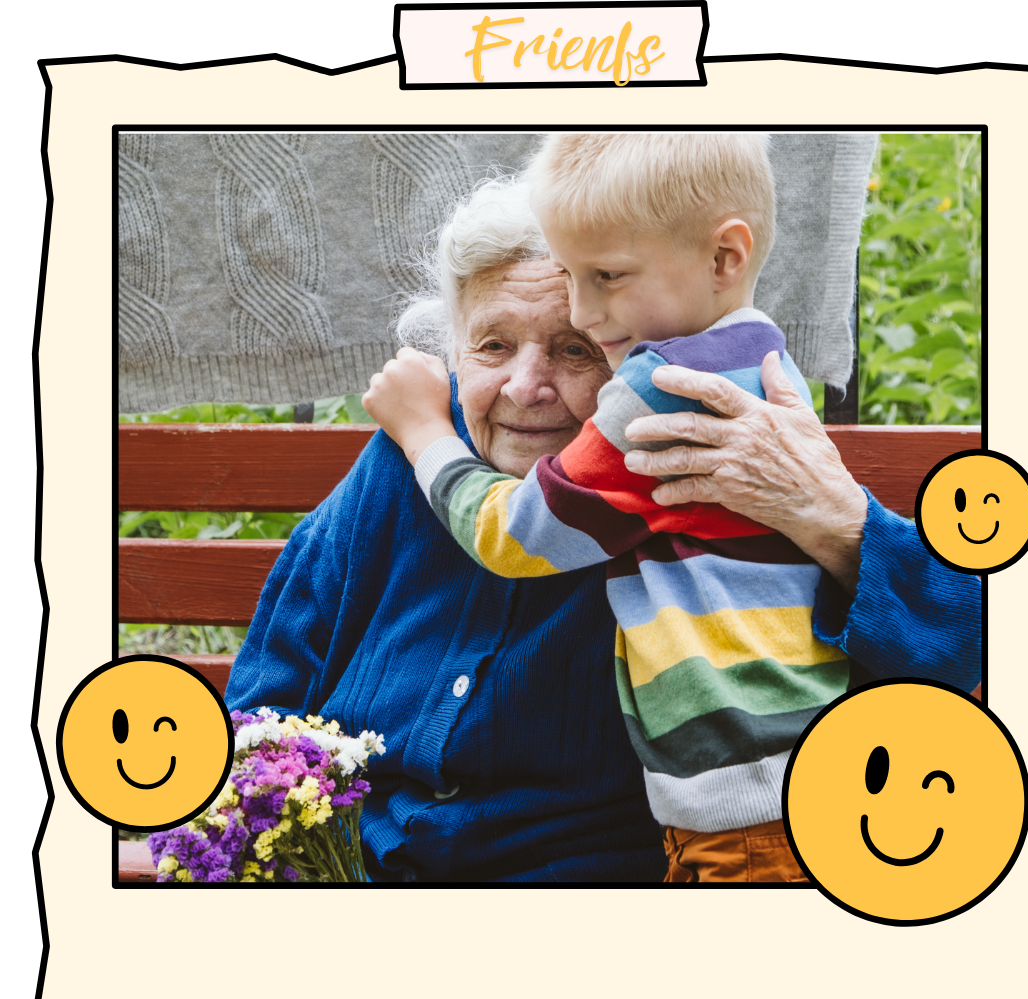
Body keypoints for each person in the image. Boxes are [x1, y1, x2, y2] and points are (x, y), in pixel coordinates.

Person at [229, 169, 981, 884]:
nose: (525, 386)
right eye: (492, 345)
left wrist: (834, 518)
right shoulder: (412, 452)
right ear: (452, 353)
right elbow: (271, 689)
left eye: (574, 349)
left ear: (636, 360)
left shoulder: (707, 460)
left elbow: (955, 641)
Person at [363, 133, 850, 883]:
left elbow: (512, 534)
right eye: (491, 345)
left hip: (747, 802)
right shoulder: (762, 368)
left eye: (603, 282)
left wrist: (425, 433)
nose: (589, 314)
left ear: (725, 259)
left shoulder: (666, 393)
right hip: (779, 786)